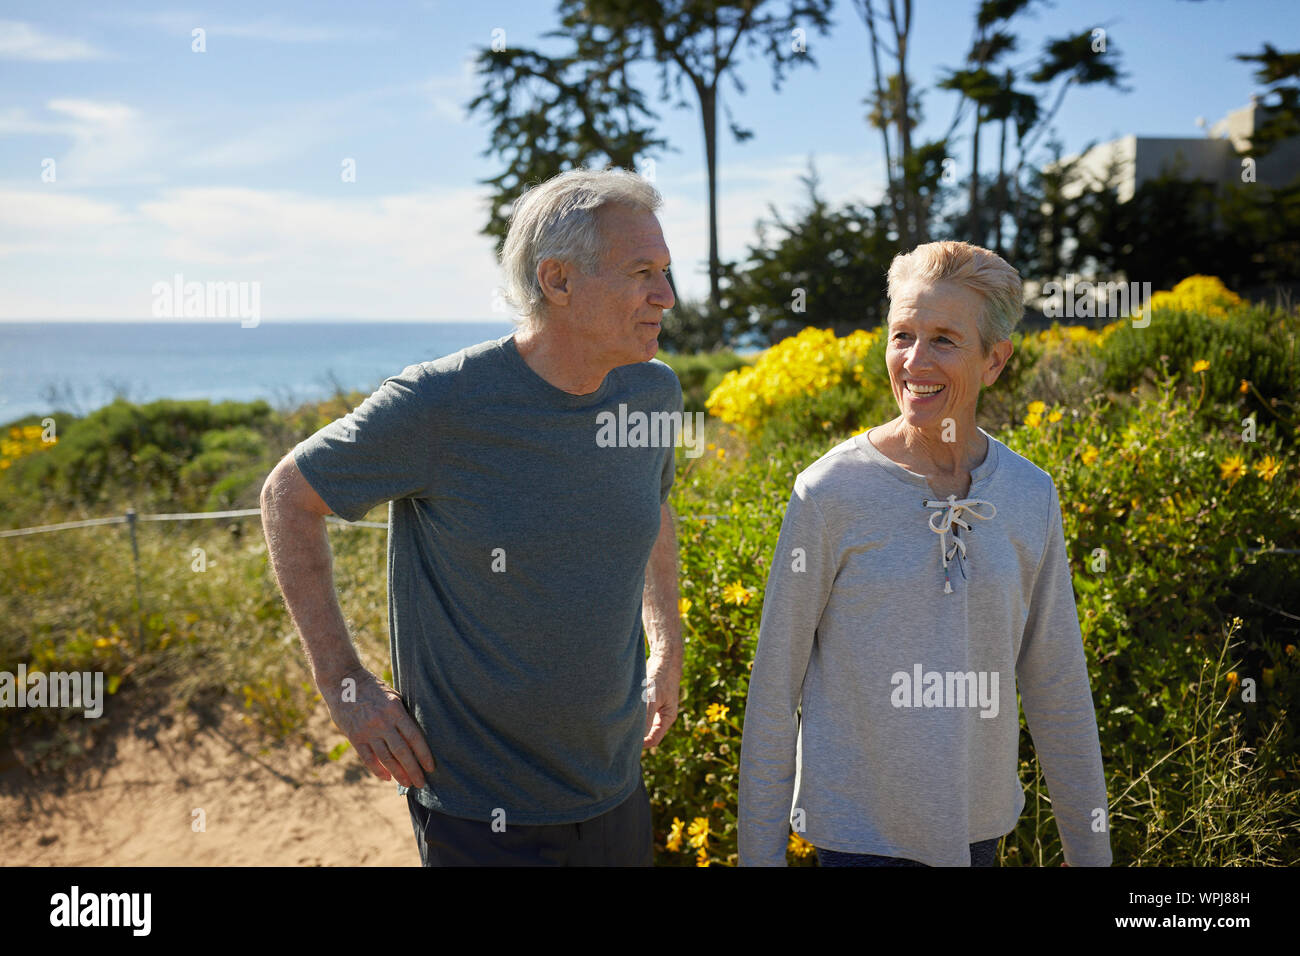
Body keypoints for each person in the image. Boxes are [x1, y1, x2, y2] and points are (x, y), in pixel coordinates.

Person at [260, 167, 684, 866]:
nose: (666, 296)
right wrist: (345, 686)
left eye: (665, 272)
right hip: (480, 815)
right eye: (643, 273)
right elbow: (287, 498)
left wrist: (665, 643)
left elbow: (655, 510)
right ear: (558, 281)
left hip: (615, 791)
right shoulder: (441, 404)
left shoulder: (654, 392)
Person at [737, 240, 1112, 867]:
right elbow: (775, 691)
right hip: (857, 843)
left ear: (995, 361)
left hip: (980, 834)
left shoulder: (1029, 494)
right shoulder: (829, 493)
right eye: (902, 335)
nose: (915, 360)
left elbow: (1058, 686)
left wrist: (1091, 854)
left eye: (944, 339)